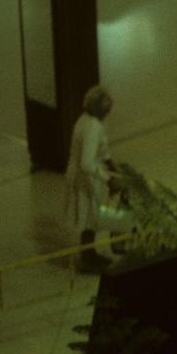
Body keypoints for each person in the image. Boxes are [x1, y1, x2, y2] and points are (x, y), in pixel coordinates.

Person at [66, 84, 117, 272]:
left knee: (89, 218)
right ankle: (88, 257)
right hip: (88, 179)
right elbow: (87, 163)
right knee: (90, 217)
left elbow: (101, 151)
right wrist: (107, 177)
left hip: (83, 176)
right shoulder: (93, 127)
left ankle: (89, 253)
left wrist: (111, 163)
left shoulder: (84, 120)